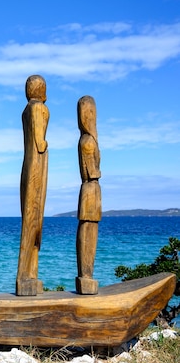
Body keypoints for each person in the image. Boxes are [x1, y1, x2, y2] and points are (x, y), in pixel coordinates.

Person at [16, 75, 49, 296]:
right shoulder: (39, 109)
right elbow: (40, 142)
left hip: (27, 165)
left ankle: (30, 273)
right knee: (34, 219)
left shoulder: (25, 110)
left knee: (31, 219)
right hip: (37, 164)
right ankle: (25, 275)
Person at [75, 95, 101, 294]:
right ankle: (86, 275)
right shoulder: (88, 141)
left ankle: (86, 275)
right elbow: (92, 171)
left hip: (90, 188)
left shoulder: (87, 139)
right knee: (88, 229)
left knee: (89, 228)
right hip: (90, 187)